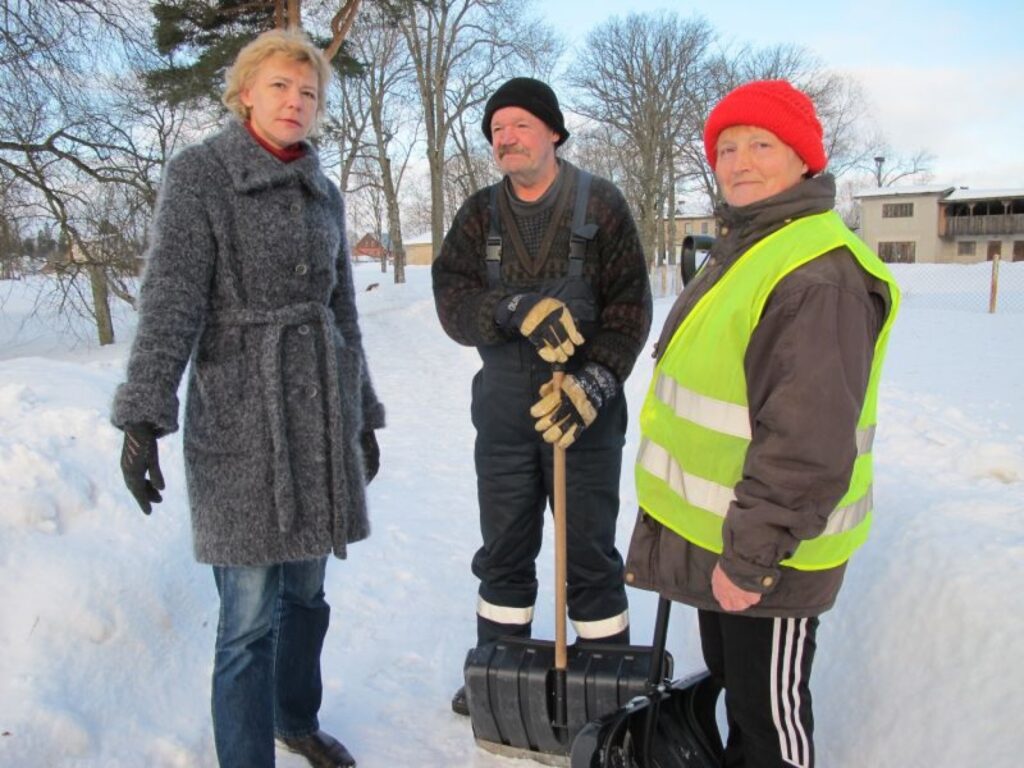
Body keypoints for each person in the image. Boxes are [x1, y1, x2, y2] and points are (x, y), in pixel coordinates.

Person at [111, 29, 384, 768]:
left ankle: (294, 719)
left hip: (320, 416)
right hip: (241, 417)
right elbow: (170, 300)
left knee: (308, 598)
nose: (295, 102)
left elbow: (343, 312)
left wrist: (363, 415)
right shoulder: (200, 176)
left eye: (309, 93)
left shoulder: (322, 189)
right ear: (243, 93)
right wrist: (143, 414)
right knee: (249, 619)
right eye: (280, 87)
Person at [626, 79, 901, 768]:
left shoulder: (817, 273)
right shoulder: (752, 245)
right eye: (726, 147)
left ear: (804, 159)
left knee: (770, 725)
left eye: (761, 144)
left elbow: (806, 443)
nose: (739, 162)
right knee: (740, 699)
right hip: (727, 536)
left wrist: (752, 560)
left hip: (768, 557)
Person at [432, 77, 652, 715]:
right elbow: (452, 301)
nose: (506, 137)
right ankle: (501, 679)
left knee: (589, 555)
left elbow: (631, 311)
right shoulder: (479, 214)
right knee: (503, 553)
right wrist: (513, 307)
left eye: (520, 124)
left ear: (553, 132)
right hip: (503, 414)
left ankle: (608, 691)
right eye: (497, 129)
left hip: (585, 415)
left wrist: (594, 382)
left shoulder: (601, 206)